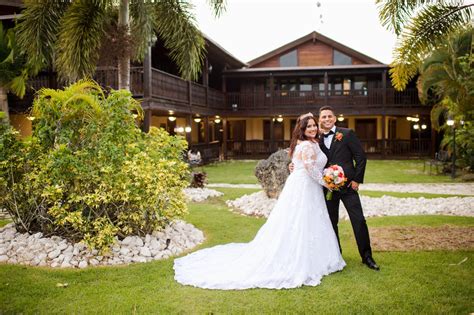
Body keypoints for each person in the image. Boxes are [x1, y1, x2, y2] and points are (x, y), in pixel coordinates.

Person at [174, 113, 345, 290]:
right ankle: (303, 259)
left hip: (304, 185)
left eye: (313, 126)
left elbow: (300, 164)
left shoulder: (307, 143)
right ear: (302, 129)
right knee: (300, 220)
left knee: (307, 221)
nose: (312, 128)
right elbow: (310, 169)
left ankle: (315, 256)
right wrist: (328, 182)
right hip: (305, 186)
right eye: (308, 126)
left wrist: (323, 174)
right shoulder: (307, 145)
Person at [318, 105, 379, 271]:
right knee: (331, 223)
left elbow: (361, 157)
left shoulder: (347, 134)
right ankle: (336, 256)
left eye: (329, 116)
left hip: (348, 186)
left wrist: (357, 180)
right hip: (329, 189)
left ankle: (367, 257)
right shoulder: (317, 139)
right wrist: (293, 166)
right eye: (323, 117)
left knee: (358, 220)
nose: (327, 119)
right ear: (320, 120)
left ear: (335, 118)